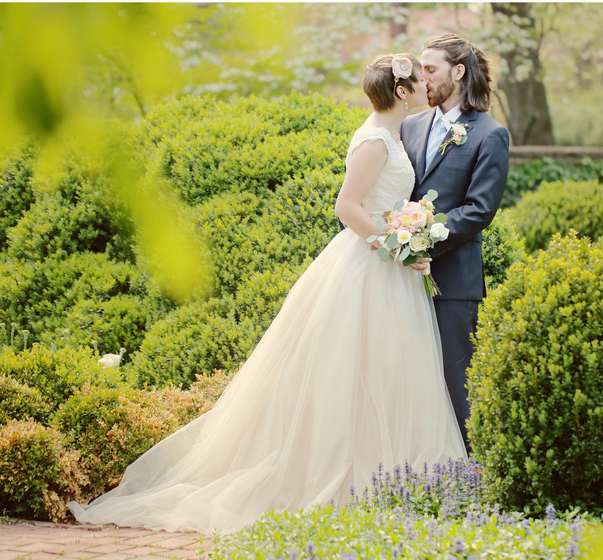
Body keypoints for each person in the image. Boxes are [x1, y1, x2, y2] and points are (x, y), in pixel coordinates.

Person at [67, 54, 466, 534]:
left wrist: (408, 234)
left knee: (389, 371)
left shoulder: (395, 134)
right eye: (415, 79)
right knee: (351, 371)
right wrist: (394, 245)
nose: (424, 84)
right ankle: (344, 480)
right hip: (367, 266)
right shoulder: (376, 139)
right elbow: (347, 206)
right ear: (401, 92)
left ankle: (395, 478)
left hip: (388, 269)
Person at [401, 33, 510, 447]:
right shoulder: (410, 127)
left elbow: (480, 210)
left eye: (430, 69)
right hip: (398, 280)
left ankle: (470, 476)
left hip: (453, 285)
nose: (421, 77)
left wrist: (419, 243)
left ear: (458, 72)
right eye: (420, 69)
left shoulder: (489, 134)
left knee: (454, 384)